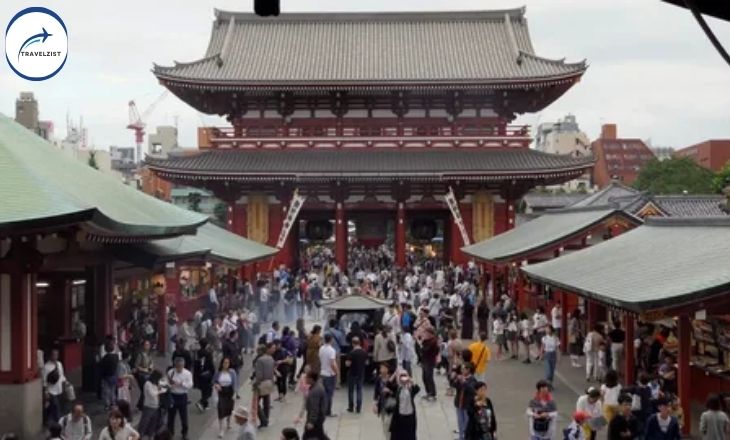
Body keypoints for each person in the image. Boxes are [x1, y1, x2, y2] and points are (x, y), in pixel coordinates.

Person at [167, 357, 193, 440]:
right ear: (175, 365)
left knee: (184, 417)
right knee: (171, 417)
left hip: (182, 396)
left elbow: (190, 384)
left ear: (183, 365)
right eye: (178, 366)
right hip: (172, 395)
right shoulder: (171, 372)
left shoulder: (187, 373)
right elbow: (166, 383)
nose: (179, 368)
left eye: (181, 366)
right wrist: (170, 385)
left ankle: (184, 433)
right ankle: (170, 433)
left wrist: (182, 384)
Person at [389, 371, 420, 440]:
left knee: (409, 436)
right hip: (399, 417)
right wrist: (395, 374)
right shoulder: (398, 389)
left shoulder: (410, 389)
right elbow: (388, 384)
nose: (404, 380)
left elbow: (417, 388)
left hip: (409, 417)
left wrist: (410, 380)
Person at [450, 362, 477, 440]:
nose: (461, 370)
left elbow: (472, 390)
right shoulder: (460, 377)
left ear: (468, 370)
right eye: (461, 369)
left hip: (467, 405)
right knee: (460, 422)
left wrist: (464, 382)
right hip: (459, 403)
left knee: (467, 423)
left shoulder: (472, 379)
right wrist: (452, 378)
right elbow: (454, 385)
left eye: (463, 369)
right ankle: (461, 437)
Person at [137, 370, 167, 439]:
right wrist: (160, 391)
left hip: (156, 406)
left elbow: (165, 384)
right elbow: (152, 394)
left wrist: (163, 383)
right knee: (144, 423)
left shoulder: (156, 383)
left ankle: (150, 436)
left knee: (153, 423)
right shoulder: (148, 384)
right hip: (148, 406)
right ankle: (139, 435)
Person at [215, 357, 239, 438]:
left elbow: (235, 382)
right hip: (221, 392)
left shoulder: (232, 372)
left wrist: (235, 393)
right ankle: (221, 429)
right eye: (225, 362)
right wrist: (216, 385)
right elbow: (214, 381)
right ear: (222, 363)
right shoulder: (218, 372)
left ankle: (228, 422)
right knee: (220, 409)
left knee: (229, 408)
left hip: (229, 391)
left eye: (227, 363)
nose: (226, 364)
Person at [253, 343, 275, 429]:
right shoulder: (270, 358)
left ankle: (263, 419)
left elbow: (259, 375)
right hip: (269, 381)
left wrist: (255, 383)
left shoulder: (260, 360)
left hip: (261, 383)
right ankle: (266, 419)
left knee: (256, 403)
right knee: (266, 402)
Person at [43, 348, 67, 425]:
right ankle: (59, 423)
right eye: (54, 355)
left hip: (59, 389)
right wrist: (46, 392)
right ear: (50, 356)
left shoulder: (59, 364)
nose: (55, 356)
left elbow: (62, 376)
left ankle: (45, 420)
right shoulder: (46, 367)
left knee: (51, 407)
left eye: (56, 355)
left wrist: (65, 383)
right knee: (56, 407)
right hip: (51, 391)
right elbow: (44, 381)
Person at [304, 371, 330, 440]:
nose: (305, 379)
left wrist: (311, 422)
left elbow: (314, 407)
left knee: (307, 436)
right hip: (319, 417)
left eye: (307, 378)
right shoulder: (317, 386)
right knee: (320, 435)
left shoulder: (315, 391)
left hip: (316, 419)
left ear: (311, 379)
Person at [345, 337, 368, 413]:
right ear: (359, 343)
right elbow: (367, 362)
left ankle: (351, 407)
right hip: (361, 373)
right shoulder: (364, 352)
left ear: (352, 343)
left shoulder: (351, 353)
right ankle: (358, 408)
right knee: (359, 390)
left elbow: (348, 364)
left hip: (352, 373)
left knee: (351, 391)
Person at [318, 334, 339, 417]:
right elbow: (332, 363)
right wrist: (336, 372)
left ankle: (323, 409)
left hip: (323, 372)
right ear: (331, 340)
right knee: (329, 394)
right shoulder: (332, 350)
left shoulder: (321, 348)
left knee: (324, 393)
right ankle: (328, 411)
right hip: (330, 374)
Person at [194, 339, 216, 412]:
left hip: (199, 374)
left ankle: (205, 405)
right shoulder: (208, 354)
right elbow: (211, 365)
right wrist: (213, 373)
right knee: (209, 391)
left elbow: (195, 364)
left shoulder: (197, 353)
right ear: (206, 345)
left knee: (203, 390)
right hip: (207, 374)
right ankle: (201, 401)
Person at [420, 327, 440, 401]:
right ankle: (428, 392)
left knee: (429, 377)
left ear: (430, 334)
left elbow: (425, 350)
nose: (425, 334)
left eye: (426, 333)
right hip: (425, 360)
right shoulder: (426, 340)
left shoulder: (433, 341)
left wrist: (421, 345)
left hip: (429, 361)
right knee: (424, 377)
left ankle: (432, 393)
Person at [100, 340, 120, 410]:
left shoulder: (104, 358)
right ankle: (113, 403)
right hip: (114, 376)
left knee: (106, 391)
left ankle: (107, 405)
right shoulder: (116, 357)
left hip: (106, 377)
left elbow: (101, 368)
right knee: (113, 390)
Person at [135, 340, 155, 411]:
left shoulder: (149, 354)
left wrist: (151, 367)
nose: (147, 346)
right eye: (146, 345)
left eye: (148, 344)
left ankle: (140, 405)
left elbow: (151, 362)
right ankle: (141, 405)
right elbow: (136, 366)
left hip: (148, 374)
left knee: (145, 390)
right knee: (145, 389)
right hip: (142, 375)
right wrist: (144, 369)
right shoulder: (140, 355)